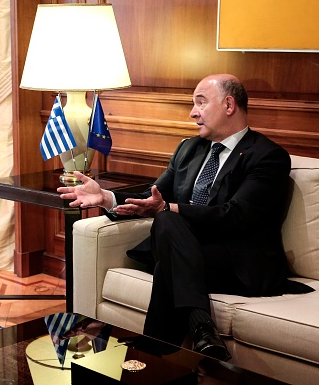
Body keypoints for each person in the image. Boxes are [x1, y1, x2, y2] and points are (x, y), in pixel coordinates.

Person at [58, 74, 296, 361]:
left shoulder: (268, 156)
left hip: (237, 259)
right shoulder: (189, 149)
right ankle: (199, 331)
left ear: (229, 104)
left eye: (201, 103)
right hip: (185, 247)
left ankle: (149, 358)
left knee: (166, 260)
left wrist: (167, 210)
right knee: (167, 222)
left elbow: (236, 215)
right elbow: (154, 196)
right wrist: (106, 198)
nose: (192, 113)